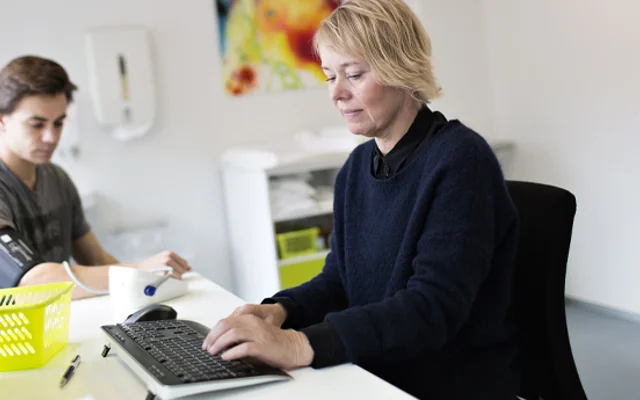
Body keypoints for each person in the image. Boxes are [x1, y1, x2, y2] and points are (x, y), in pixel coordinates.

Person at [202, 0, 520, 398]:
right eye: (329, 76)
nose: (336, 93)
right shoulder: (356, 168)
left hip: (444, 382)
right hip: (377, 369)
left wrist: (299, 343)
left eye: (353, 74)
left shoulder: (460, 159)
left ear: (400, 68)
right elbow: (339, 281)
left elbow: (432, 307)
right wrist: (281, 310)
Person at [0, 55, 191, 299]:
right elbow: (34, 281)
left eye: (58, 123)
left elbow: (97, 260)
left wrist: (149, 280)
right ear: (2, 120)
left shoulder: (57, 179)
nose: (51, 137)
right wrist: (141, 269)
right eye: (37, 125)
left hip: (62, 316)